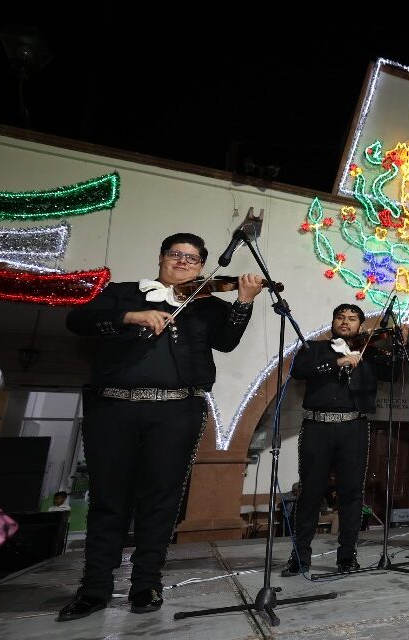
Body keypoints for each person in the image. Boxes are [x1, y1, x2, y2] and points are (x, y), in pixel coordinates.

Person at [58, 232, 261, 621]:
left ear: (202, 266)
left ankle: (146, 583)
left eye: (193, 258)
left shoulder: (205, 305)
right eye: (176, 254)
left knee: (161, 500)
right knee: (109, 500)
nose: (184, 262)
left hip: (176, 410)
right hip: (114, 406)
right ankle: (94, 588)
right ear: (162, 257)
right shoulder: (123, 292)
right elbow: (77, 319)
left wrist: (244, 303)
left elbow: (227, 342)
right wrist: (128, 316)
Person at [280, 303, 403, 576]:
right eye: (340, 317)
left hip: (353, 428)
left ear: (361, 326)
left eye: (352, 318)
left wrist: (400, 344)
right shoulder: (313, 348)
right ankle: (300, 557)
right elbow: (299, 370)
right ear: (333, 321)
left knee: (352, 493)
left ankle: (347, 556)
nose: (346, 322)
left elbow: (394, 372)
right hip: (317, 427)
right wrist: (338, 362)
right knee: (310, 492)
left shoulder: (369, 352)